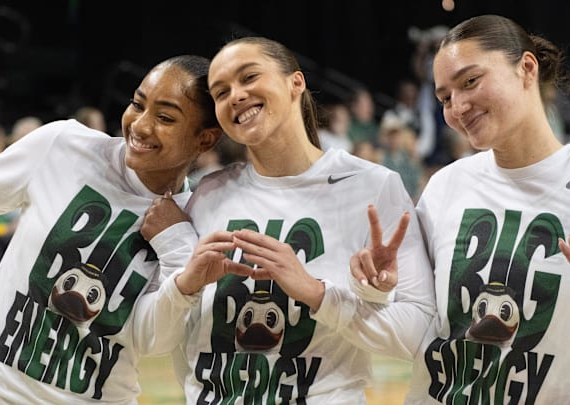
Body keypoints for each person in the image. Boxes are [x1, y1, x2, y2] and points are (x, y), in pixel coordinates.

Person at [0, 54, 224, 403]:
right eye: (137, 104)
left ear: (204, 139)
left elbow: (152, 339)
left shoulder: (195, 218)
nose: (141, 125)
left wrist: (174, 243)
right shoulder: (64, 147)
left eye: (164, 117)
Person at [354, 14, 570, 404]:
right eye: (445, 97)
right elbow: (415, 328)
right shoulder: (446, 186)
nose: (458, 106)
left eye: (470, 81)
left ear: (526, 68)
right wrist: (379, 291)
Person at [155, 36, 435, 404]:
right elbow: (170, 339)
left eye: (249, 76)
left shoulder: (374, 187)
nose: (235, 95)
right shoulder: (207, 194)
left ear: (296, 83)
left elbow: (420, 334)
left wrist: (318, 294)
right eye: (221, 92)